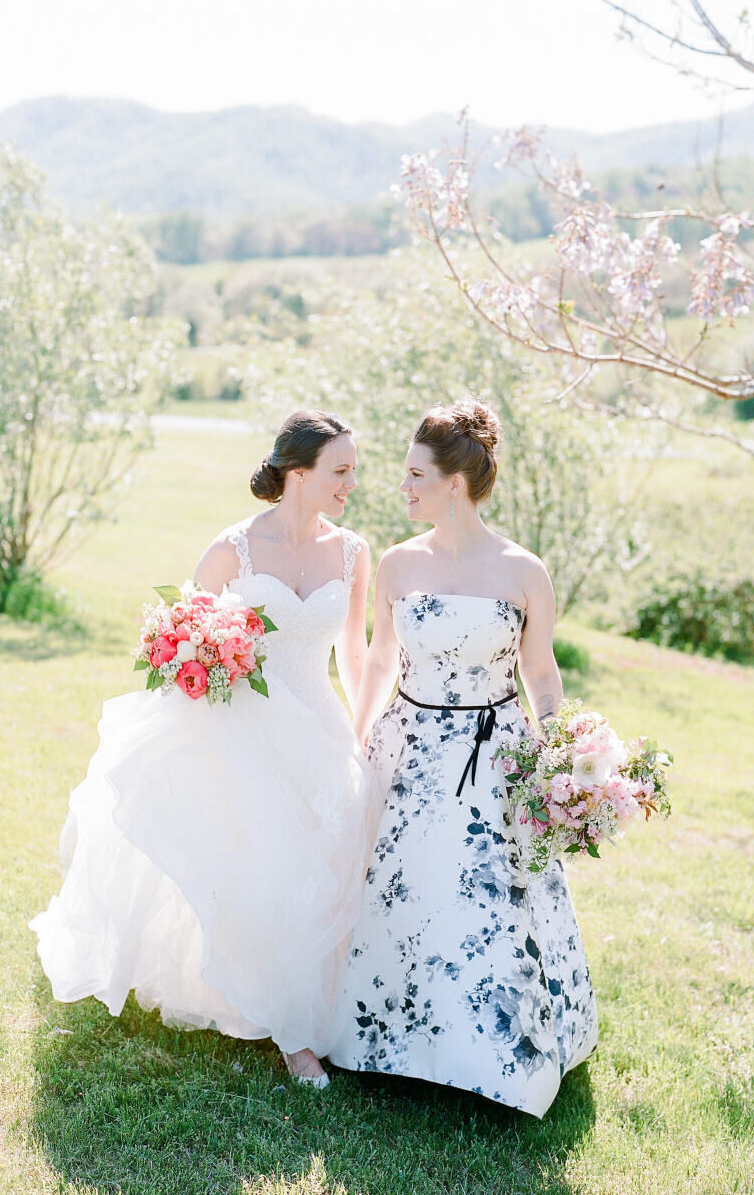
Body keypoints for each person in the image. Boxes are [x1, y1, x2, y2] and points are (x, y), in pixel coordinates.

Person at [31, 410, 377, 1088]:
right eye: (341, 471)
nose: (351, 484)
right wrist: (204, 658)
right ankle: (293, 1035)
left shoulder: (354, 551)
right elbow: (177, 636)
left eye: (353, 472)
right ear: (298, 473)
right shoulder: (233, 550)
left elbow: (357, 654)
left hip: (321, 723)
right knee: (263, 869)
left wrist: (365, 731)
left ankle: (313, 1005)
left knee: (321, 867)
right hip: (241, 728)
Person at [328, 400, 598, 1115]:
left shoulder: (522, 570)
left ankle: (493, 1054)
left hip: (495, 753)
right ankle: (390, 1038)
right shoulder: (397, 563)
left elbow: (539, 673)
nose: (403, 488)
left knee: (486, 900)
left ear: (455, 483)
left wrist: (561, 752)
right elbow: (381, 661)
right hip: (409, 749)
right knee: (404, 889)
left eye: (415, 474)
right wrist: (356, 743)